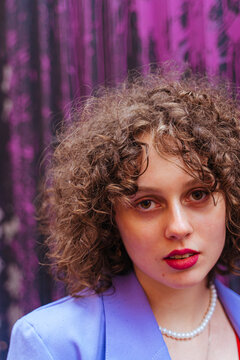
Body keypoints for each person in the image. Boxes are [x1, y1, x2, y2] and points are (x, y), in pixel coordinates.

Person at [7, 70, 240, 360]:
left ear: (232, 199)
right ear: (107, 216)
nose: (179, 227)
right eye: (146, 203)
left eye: (198, 195)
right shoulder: (50, 343)